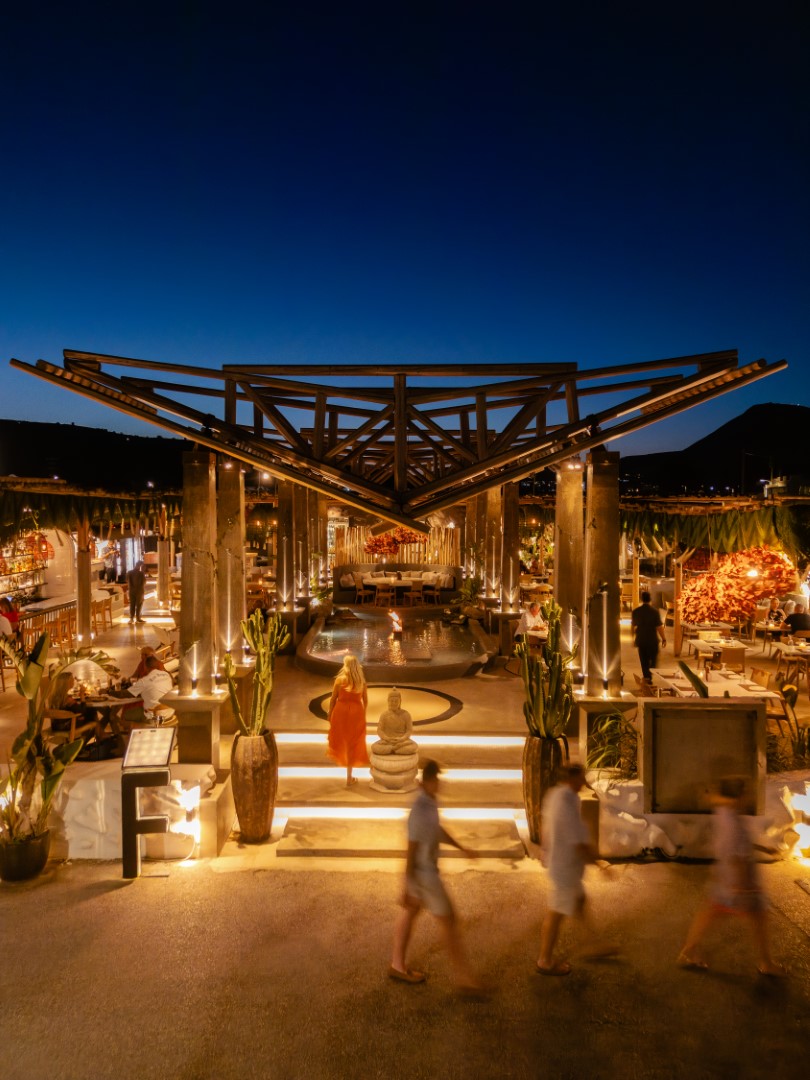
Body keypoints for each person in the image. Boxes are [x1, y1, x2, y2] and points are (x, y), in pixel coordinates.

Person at [390, 760, 483, 993]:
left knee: (411, 913)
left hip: (422, 873)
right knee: (449, 922)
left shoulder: (430, 802)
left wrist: (462, 848)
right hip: (425, 875)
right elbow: (410, 851)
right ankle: (464, 978)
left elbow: (437, 831)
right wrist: (406, 885)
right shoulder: (419, 811)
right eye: (436, 780)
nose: (439, 784)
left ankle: (397, 965)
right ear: (428, 782)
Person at [677, 777, 784, 976]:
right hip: (740, 881)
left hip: (726, 878)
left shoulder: (725, 813)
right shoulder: (734, 822)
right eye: (746, 792)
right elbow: (737, 853)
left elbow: (737, 845)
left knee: (712, 912)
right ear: (739, 795)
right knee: (757, 916)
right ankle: (766, 962)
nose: (749, 796)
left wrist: (763, 848)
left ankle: (688, 951)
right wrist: (741, 886)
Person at [536, 763, 616, 976]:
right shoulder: (565, 804)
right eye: (581, 778)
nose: (584, 782)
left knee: (579, 902)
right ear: (572, 779)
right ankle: (544, 960)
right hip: (565, 867)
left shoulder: (555, 795)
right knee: (556, 914)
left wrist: (544, 849)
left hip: (562, 864)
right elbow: (578, 842)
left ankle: (592, 943)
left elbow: (544, 823)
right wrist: (600, 864)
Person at [326, 654, 370, 786]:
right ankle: (349, 777)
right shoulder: (361, 682)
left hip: (340, 712)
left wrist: (330, 713)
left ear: (346, 666)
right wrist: (362, 714)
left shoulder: (340, 681)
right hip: (356, 714)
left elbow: (333, 699)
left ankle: (342, 764)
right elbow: (365, 701)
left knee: (340, 740)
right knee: (353, 744)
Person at [631, 590, 666, 681]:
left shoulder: (636, 611)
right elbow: (659, 627)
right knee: (653, 659)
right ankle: (649, 675)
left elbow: (633, 626)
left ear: (641, 599)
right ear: (650, 599)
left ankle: (647, 677)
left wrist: (633, 638)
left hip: (641, 639)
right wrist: (664, 638)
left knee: (644, 660)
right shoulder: (654, 612)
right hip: (652, 640)